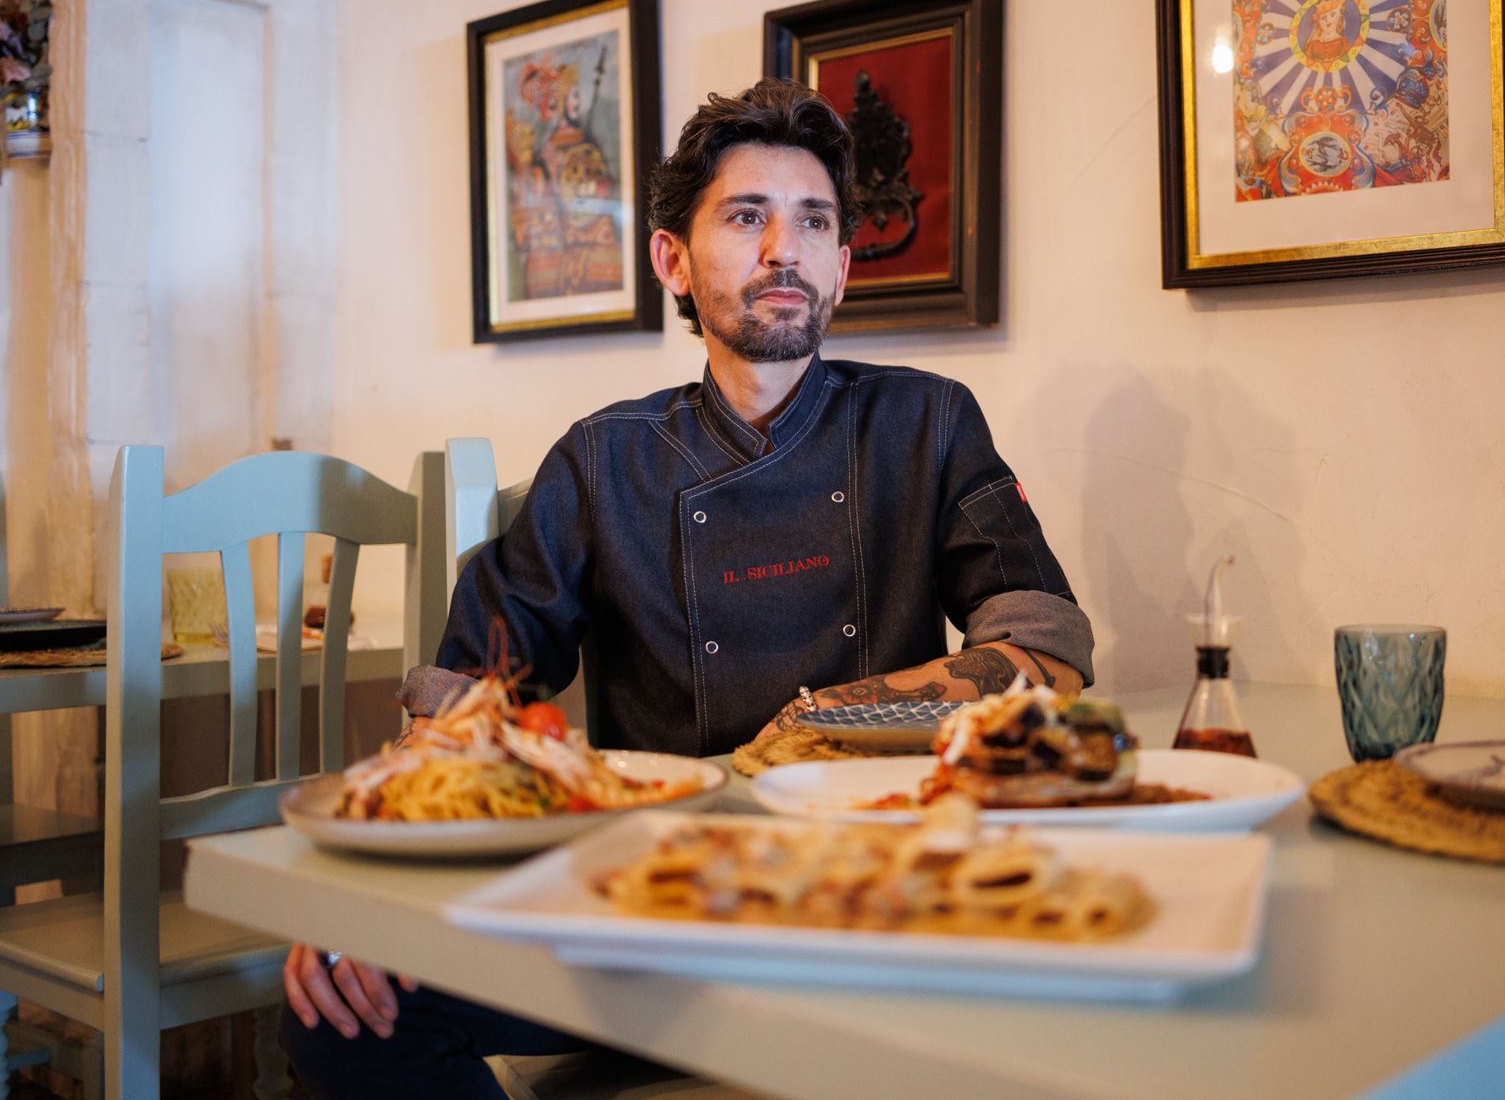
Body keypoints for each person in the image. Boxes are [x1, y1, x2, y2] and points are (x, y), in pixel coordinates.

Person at [280, 78, 1094, 1098]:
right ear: (673, 257)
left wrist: (827, 717)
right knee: (344, 1017)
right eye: (745, 217)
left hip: (873, 883)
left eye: (812, 222)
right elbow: (463, 705)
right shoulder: (603, 462)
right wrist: (366, 894)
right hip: (658, 897)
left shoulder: (925, 426)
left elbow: (1047, 640)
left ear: (844, 264)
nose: (780, 251)